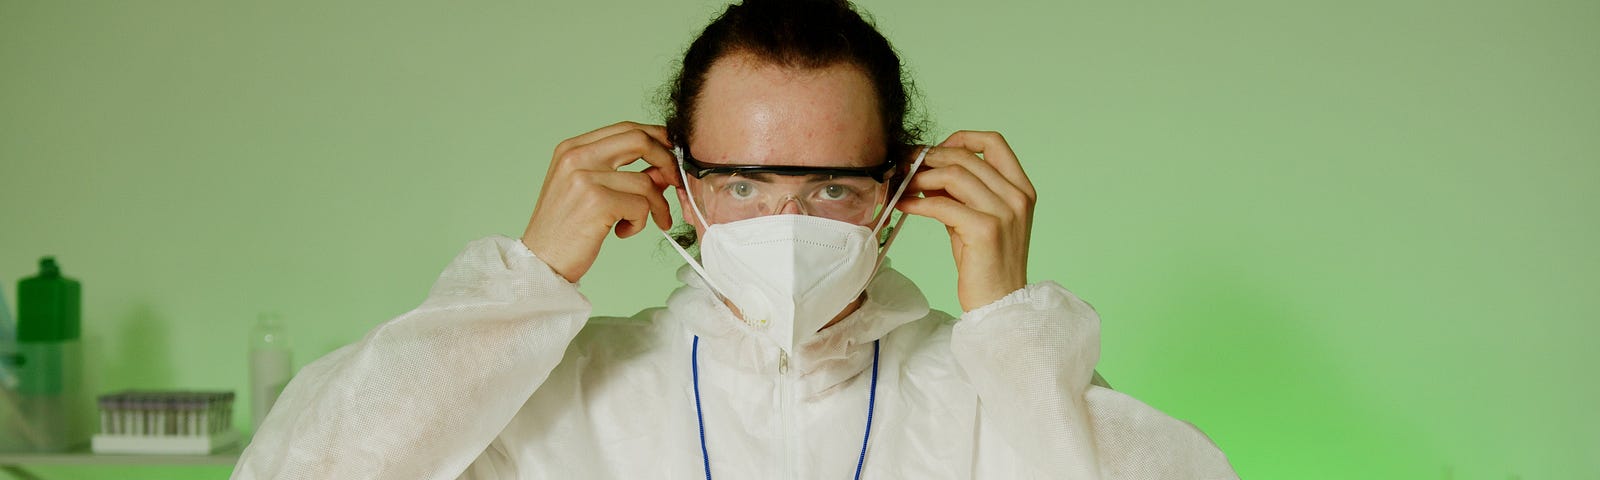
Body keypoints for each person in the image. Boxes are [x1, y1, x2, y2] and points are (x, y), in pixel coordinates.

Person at [233, 0, 1238, 478]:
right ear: (679, 185)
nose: (787, 222)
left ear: (901, 193)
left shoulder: (988, 393)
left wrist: (1013, 329)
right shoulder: (563, 388)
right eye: (745, 181)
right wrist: (522, 283)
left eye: (834, 186)